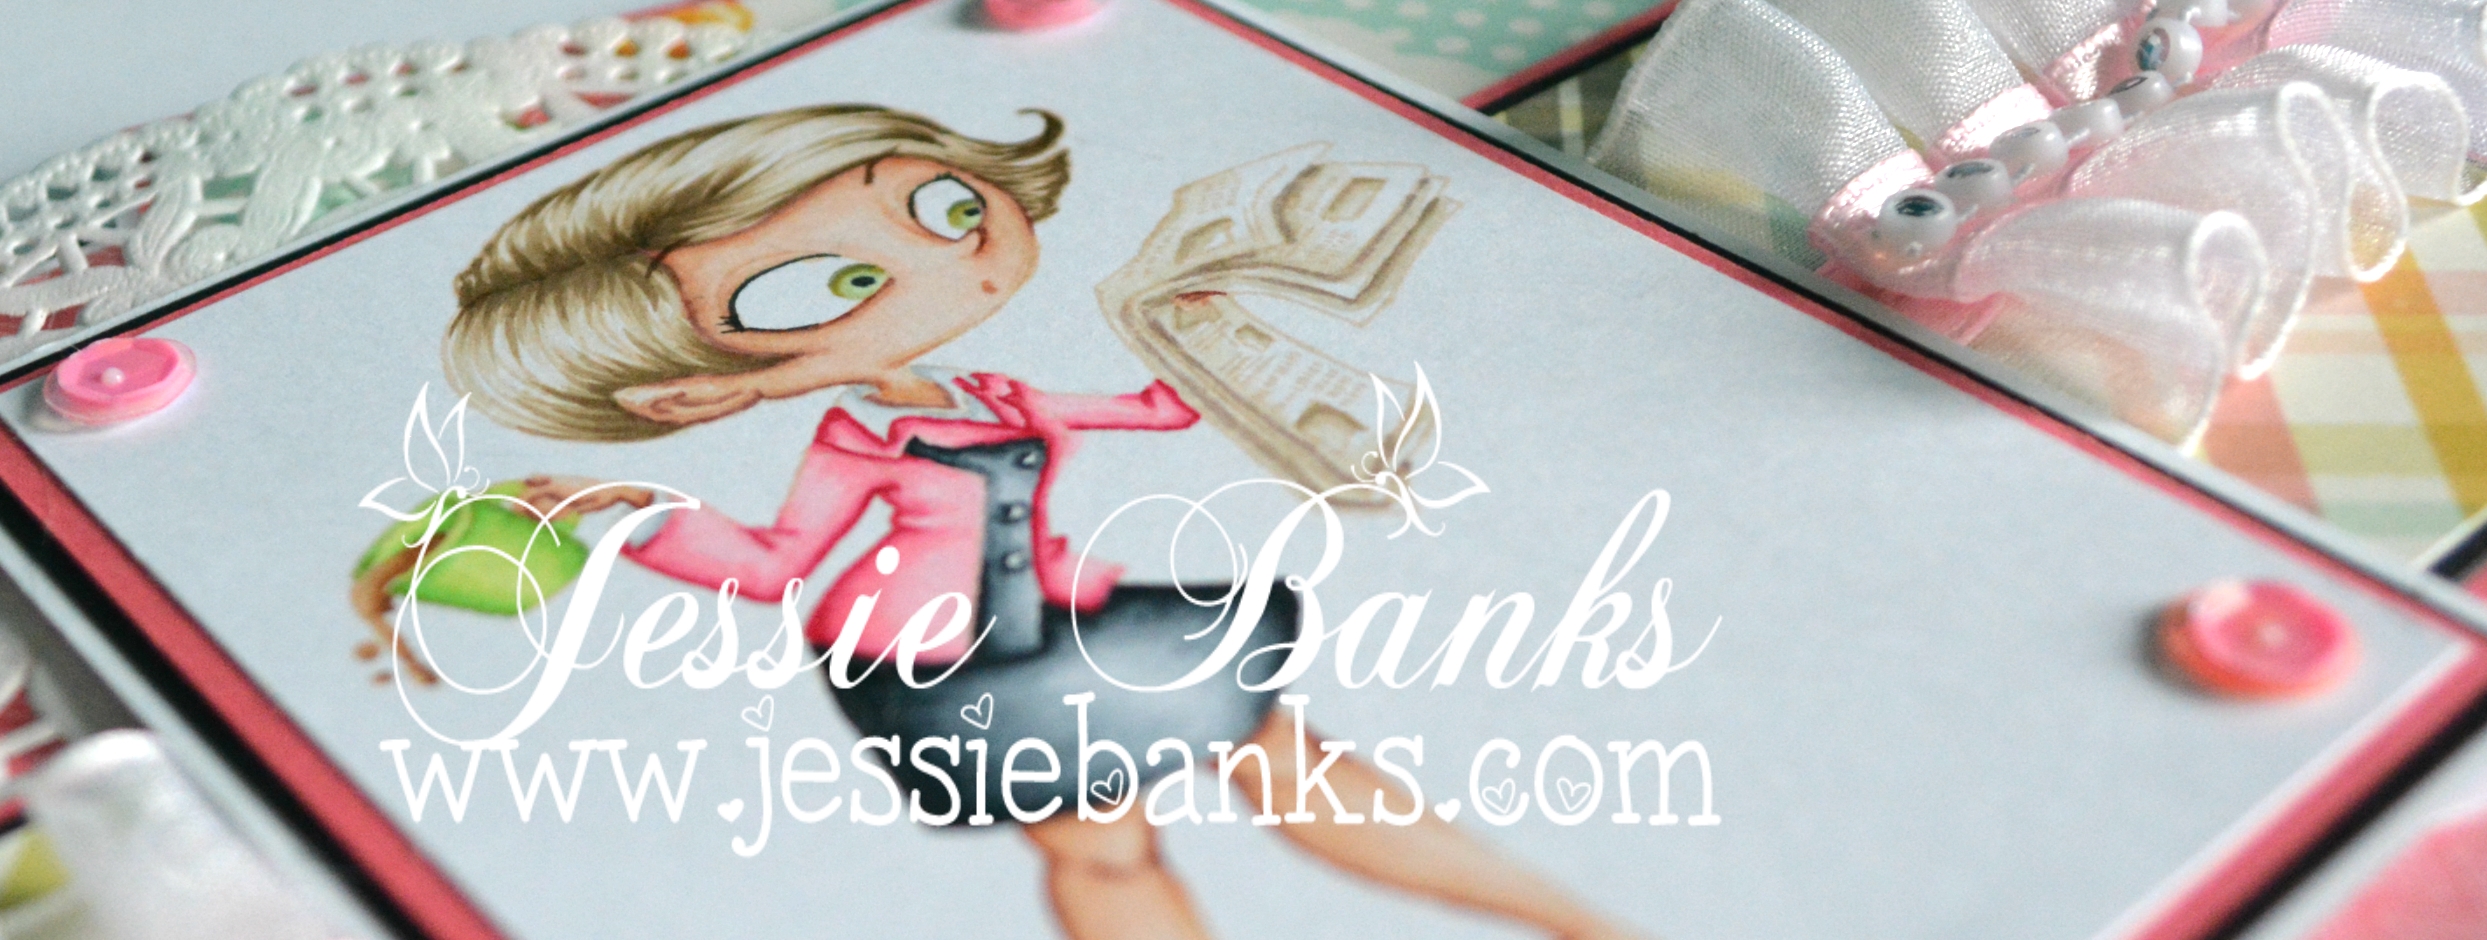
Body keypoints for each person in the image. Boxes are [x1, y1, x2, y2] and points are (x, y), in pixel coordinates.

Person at [443, 103, 1636, 940]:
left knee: (1278, 750)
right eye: (825, 286)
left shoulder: (991, 390)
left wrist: (1204, 313)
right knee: (1100, 843)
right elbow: (773, 563)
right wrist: (634, 514)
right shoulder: (857, 439)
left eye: (938, 201)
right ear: (696, 390)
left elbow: (1158, 408)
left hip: (1071, 614)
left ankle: (1579, 922)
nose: (945, 255)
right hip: (935, 659)